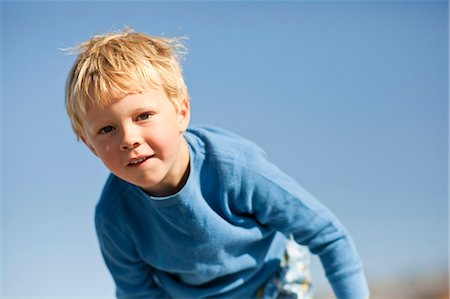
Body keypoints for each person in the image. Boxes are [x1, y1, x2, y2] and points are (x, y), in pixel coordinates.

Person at [65, 28, 369, 299]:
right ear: (91, 147)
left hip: (272, 279)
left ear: (181, 113)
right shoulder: (114, 218)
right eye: (106, 129)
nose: (128, 139)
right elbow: (138, 293)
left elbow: (329, 237)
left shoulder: (234, 169)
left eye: (143, 116)